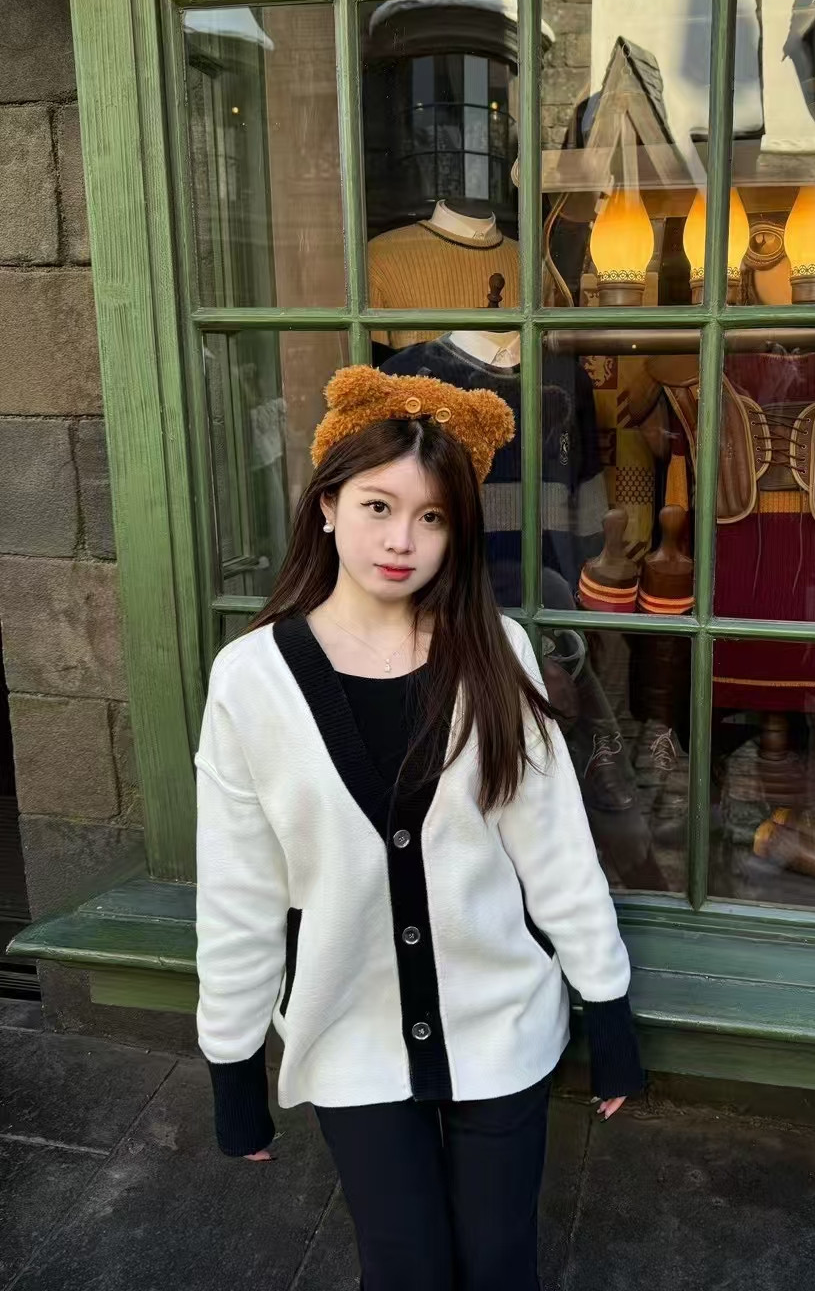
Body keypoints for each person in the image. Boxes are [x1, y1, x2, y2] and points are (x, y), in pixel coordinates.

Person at [194, 363, 644, 1291]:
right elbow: (239, 892)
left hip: (501, 1024)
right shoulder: (250, 680)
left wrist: (607, 1007)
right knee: (405, 1269)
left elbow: (554, 846)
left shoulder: (493, 650)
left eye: (433, 517)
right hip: (348, 1033)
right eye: (378, 506)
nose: (403, 540)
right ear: (327, 505)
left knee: (500, 1264)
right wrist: (232, 1065)